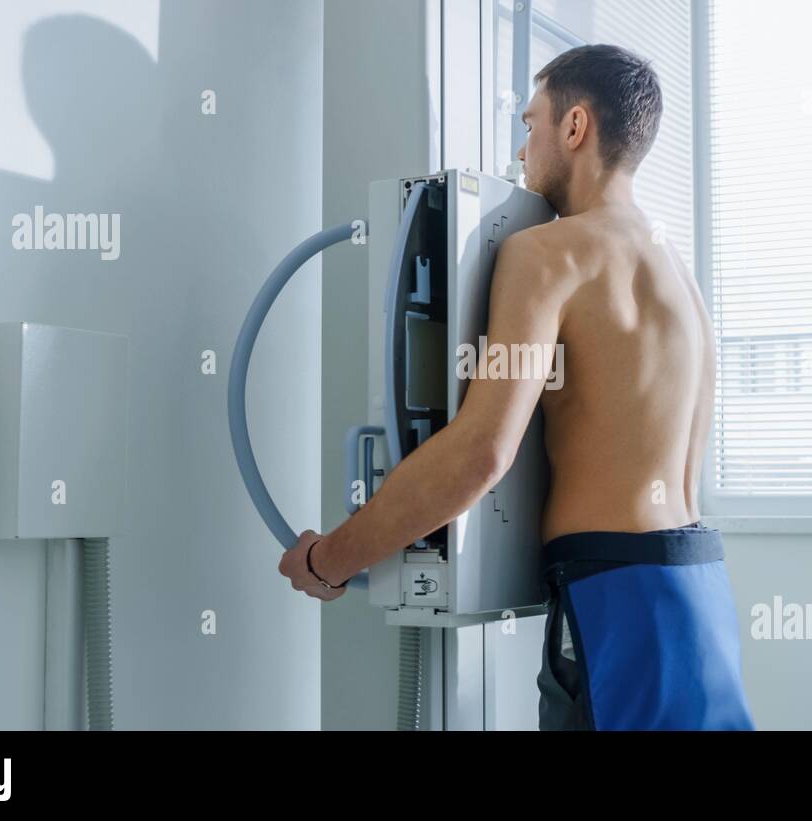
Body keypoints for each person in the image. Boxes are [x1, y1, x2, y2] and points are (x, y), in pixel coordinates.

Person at [278, 43, 753, 731]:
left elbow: (480, 453)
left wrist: (329, 559)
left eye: (530, 124)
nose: (523, 148)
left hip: (614, 599)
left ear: (575, 127)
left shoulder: (549, 253)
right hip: (698, 593)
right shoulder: (677, 269)